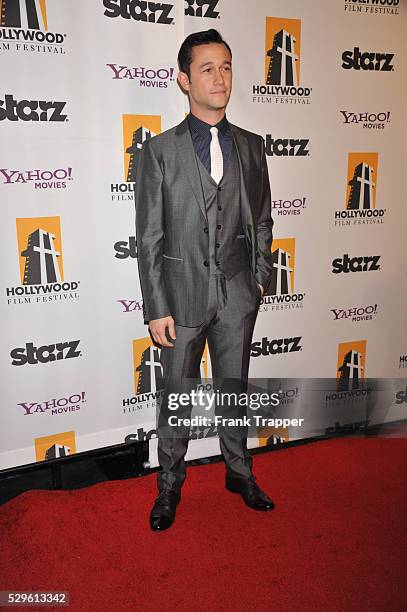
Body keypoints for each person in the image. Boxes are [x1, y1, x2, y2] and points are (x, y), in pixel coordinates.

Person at [135, 29, 274, 531]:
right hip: (180, 299)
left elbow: (262, 219)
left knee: (233, 390)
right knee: (176, 397)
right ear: (183, 80)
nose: (220, 77)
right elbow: (148, 236)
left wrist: (258, 280)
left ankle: (239, 473)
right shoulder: (158, 152)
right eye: (207, 69)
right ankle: (169, 487)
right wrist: (156, 305)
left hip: (238, 296)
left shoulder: (253, 148)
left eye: (227, 66)